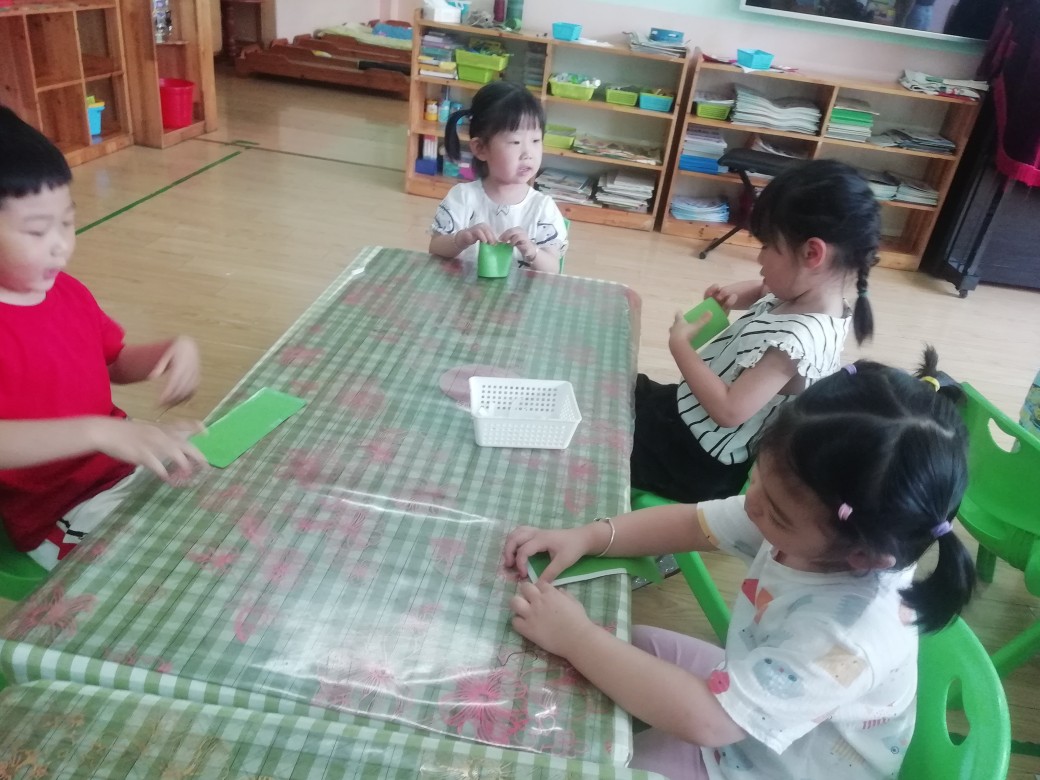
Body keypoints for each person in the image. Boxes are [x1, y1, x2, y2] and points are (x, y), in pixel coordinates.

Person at [504, 349, 975, 780]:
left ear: (862, 555)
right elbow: (693, 523)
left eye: (776, 512)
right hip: (755, 693)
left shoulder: (845, 640)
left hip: (769, 766)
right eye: (757, 480)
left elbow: (711, 723)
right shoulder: (810, 521)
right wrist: (589, 536)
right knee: (624, 637)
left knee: (593, 760)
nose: (752, 505)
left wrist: (578, 638)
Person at [0, 106, 206, 569]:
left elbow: (112, 361)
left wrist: (169, 351)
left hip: (121, 466)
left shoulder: (67, 292)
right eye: (37, 230)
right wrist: (98, 431)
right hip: (60, 508)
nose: (61, 244)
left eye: (66, 222)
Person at [632, 159, 879, 504]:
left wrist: (681, 348)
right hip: (685, 414)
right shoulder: (808, 294)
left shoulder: (795, 343)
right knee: (620, 389)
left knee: (606, 433)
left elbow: (729, 411)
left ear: (812, 253)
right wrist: (732, 295)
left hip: (694, 458)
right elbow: (763, 289)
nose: (760, 259)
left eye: (767, 246)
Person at [428, 81, 567, 273]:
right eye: (515, 142)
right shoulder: (462, 198)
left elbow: (553, 269)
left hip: (520, 293)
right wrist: (461, 239)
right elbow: (435, 248)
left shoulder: (542, 208)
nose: (528, 153)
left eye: (536, 140)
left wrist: (532, 251)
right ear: (481, 148)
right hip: (464, 289)